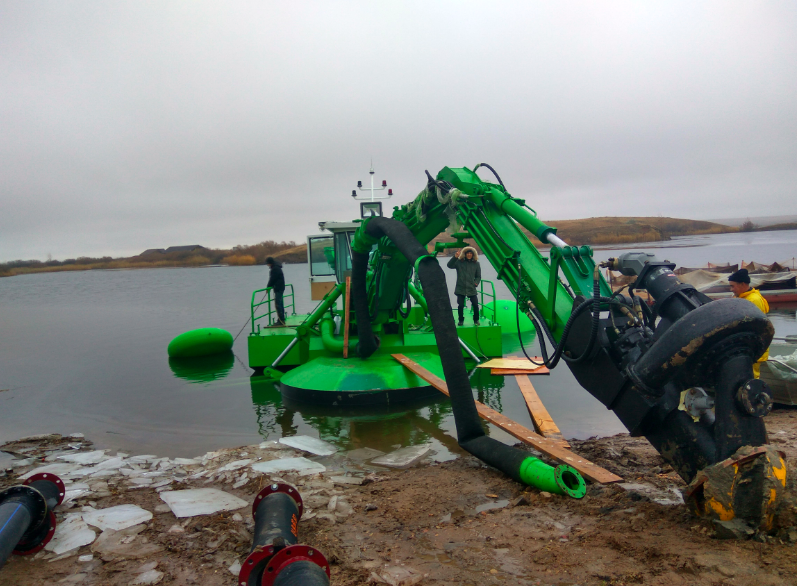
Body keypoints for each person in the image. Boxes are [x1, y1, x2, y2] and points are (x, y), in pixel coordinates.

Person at [728, 268, 770, 378]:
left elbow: (754, 326)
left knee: (751, 376)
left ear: (742, 284)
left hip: (754, 346)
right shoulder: (740, 297)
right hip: (744, 345)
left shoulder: (753, 300)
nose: (731, 289)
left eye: (733, 286)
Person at [447, 246, 482, 326]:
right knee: (461, 305)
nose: (469, 255)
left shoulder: (476, 264)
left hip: (471, 288)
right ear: (465, 254)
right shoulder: (459, 262)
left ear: (473, 254)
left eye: (470, 253)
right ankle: (461, 320)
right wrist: (455, 257)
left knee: (475, 305)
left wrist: (476, 283)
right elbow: (449, 265)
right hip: (460, 287)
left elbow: (478, 276)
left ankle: (476, 320)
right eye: (467, 253)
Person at [265, 256, 286, 326]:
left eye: (267, 263)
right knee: (280, 303)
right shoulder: (277, 267)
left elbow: (272, 279)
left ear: (269, 263)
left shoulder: (275, 269)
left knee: (278, 304)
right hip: (280, 288)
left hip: (278, 288)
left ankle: (281, 321)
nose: (267, 265)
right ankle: (282, 319)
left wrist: (268, 287)